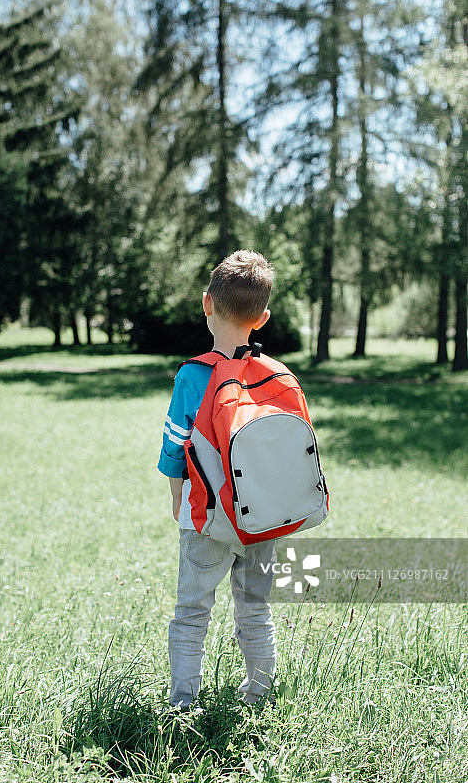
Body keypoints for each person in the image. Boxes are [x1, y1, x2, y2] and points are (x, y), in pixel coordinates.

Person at [157, 250, 278, 710]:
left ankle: (184, 704)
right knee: (256, 610)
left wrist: (176, 491)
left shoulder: (194, 374)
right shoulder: (271, 376)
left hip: (206, 515)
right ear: (262, 318)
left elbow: (175, 443)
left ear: (207, 303)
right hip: (262, 516)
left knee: (191, 612)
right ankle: (260, 699)